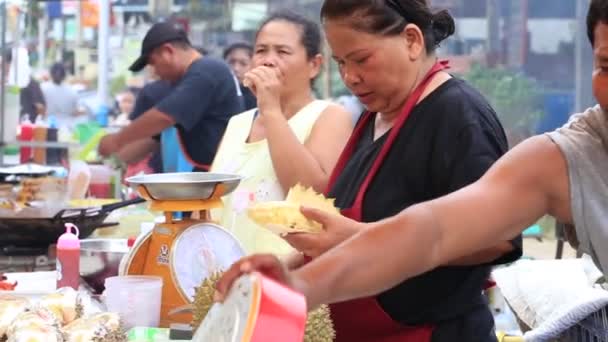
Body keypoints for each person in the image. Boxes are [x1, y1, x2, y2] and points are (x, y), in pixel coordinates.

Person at [218, 0, 608, 338]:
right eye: (605, 64)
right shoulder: (572, 149)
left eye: (362, 59)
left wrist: (350, 239)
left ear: (411, 40)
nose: (351, 77)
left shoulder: (459, 114)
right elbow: (430, 230)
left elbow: (494, 241)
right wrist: (292, 283)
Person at [211, 12, 352, 256]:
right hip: (225, 277)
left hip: (285, 278)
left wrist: (271, 109)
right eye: (261, 50)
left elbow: (312, 196)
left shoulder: (329, 115)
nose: (268, 61)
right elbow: (212, 201)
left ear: (314, 65)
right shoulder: (238, 123)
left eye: (282, 52)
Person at [97, 22, 243, 171]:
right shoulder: (191, 79)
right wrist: (114, 162)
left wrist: (117, 140)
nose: (155, 72)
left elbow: (164, 117)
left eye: (153, 64)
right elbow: (156, 137)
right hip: (206, 174)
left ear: (168, 51)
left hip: (222, 175)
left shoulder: (206, 71)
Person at [224, 42, 257, 110]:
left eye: (243, 64)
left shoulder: (258, 98)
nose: (236, 68)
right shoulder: (219, 94)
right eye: (231, 62)